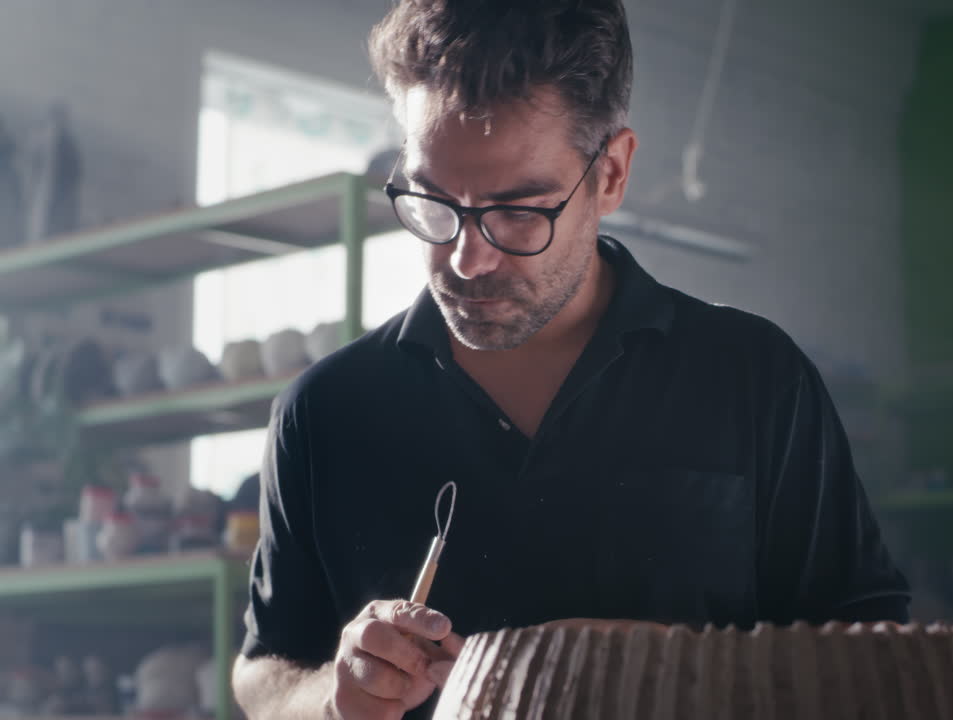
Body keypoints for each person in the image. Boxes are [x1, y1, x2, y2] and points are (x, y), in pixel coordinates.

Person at [231, 1, 910, 718]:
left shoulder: (753, 377)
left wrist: (678, 669)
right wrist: (333, 698)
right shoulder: (326, 409)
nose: (466, 258)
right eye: (433, 200)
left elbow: (875, 649)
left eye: (519, 210)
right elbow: (263, 673)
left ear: (611, 174)